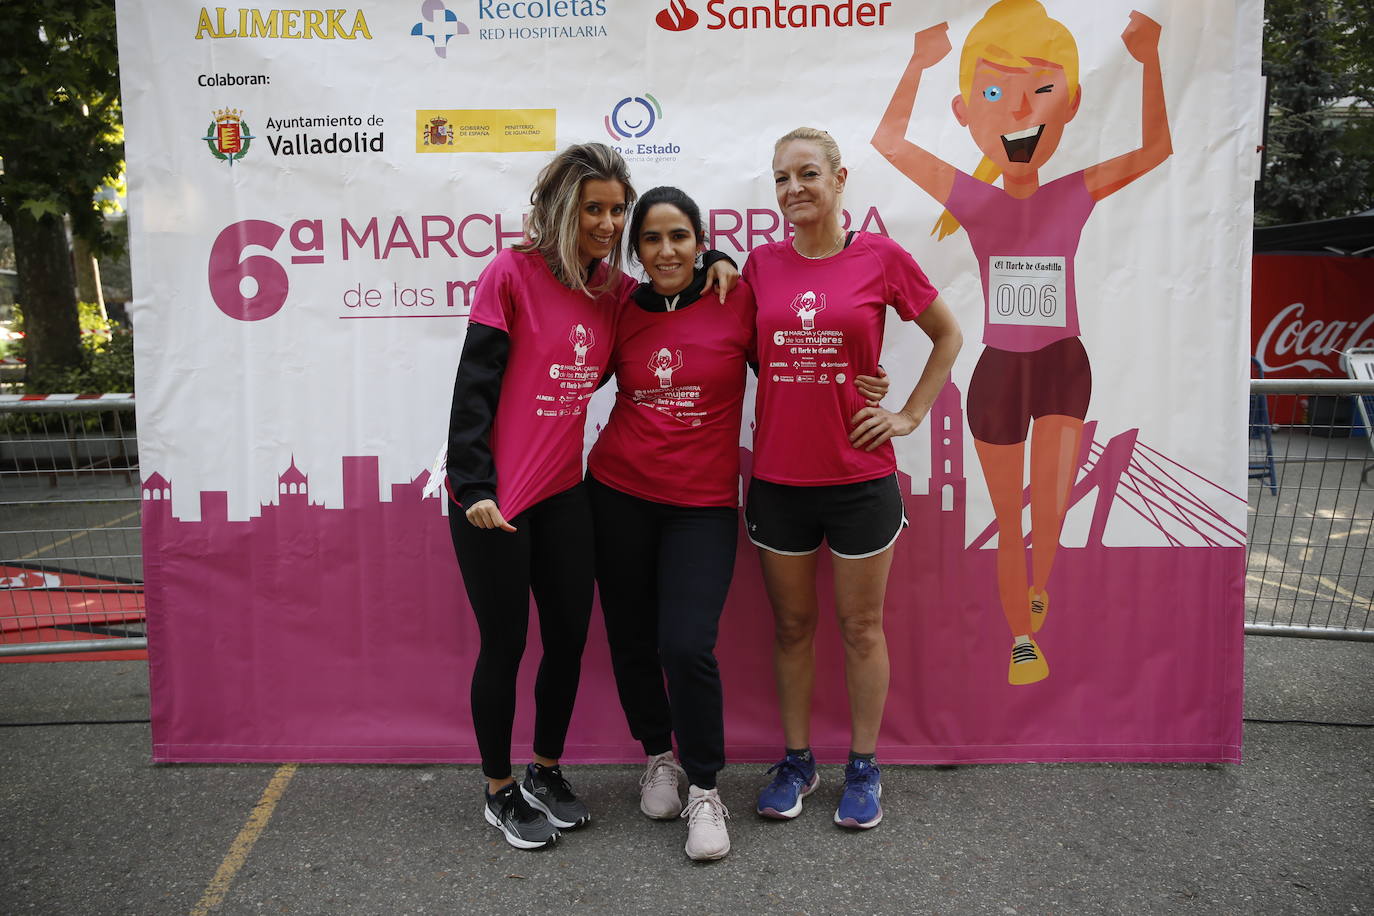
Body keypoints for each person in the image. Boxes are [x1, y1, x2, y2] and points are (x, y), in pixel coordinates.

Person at [871, 0, 1171, 685]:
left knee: (1051, 514)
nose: (1017, 112)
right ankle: (1023, 637)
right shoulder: (973, 202)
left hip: (1064, 366)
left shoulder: (1073, 193)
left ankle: (1038, 587)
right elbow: (889, 143)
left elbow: (1156, 150)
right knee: (1011, 520)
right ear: (966, 112)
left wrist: (1150, 60)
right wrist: (916, 65)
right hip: (1000, 373)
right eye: (996, 94)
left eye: (1040, 92)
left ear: (1069, 105)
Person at [743, 128, 963, 829]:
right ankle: (798, 760)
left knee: (862, 626)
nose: (793, 189)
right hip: (779, 478)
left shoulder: (880, 257)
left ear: (840, 180)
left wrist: (908, 412)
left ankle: (863, 768)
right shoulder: (757, 267)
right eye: (781, 178)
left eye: (808, 173)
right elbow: (750, 355)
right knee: (791, 627)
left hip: (860, 477)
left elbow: (948, 334)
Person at [444, 143, 638, 850]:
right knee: (506, 644)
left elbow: (667, 314)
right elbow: (475, 390)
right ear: (562, 207)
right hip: (492, 501)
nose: (609, 222)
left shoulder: (612, 291)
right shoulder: (510, 274)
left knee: (568, 639)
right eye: (595, 209)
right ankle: (498, 791)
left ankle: (545, 772)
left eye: (618, 209)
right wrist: (471, 486)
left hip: (563, 494)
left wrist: (717, 266)